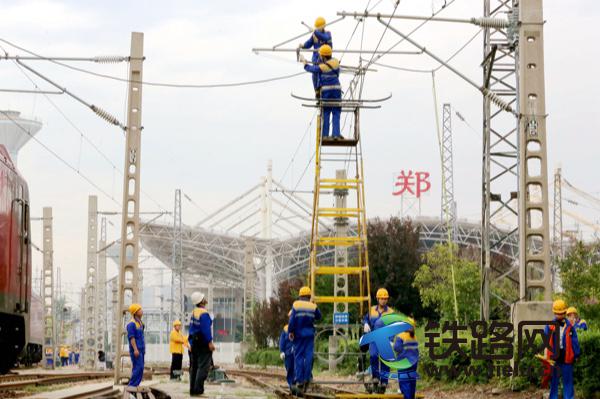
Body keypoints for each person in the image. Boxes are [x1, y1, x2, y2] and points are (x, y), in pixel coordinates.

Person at [301, 44, 342, 139]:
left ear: (323, 56)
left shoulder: (322, 67)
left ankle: (325, 135)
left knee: (326, 111)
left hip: (326, 91)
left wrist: (304, 63)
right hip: (337, 90)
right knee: (336, 111)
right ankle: (336, 134)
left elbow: (311, 69)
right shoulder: (336, 62)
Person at [288, 286, 322, 394]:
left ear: (300, 295)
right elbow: (319, 317)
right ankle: (307, 378)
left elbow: (292, 321)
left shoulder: (296, 304)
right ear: (309, 296)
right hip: (309, 335)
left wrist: (291, 332)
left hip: (298, 335)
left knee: (298, 357)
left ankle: (299, 381)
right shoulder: (313, 306)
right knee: (308, 357)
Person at [544, 299, 580, 399]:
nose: (559, 315)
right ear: (554, 313)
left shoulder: (570, 326)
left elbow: (575, 341)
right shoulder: (549, 325)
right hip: (554, 358)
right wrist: (546, 356)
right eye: (557, 313)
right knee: (554, 381)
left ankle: (569, 397)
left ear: (565, 312)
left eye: (562, 313)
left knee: (568, 381)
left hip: (567, 358)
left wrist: (576, 354)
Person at [362, 288, 395, 393]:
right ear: (377, 299)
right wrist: (366, 323)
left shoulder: (391, 312)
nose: (383, 300)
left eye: (385, 299)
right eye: (381, 298)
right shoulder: (371, 310)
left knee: (386, 359)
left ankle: (384, 382)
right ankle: (376, 378)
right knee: (373, 356)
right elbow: (365, 319)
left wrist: (391, 340)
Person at [188, 292, 215, 396]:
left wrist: (190, 342)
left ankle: (193, 391)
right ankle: (199, 391)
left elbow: (191, 328)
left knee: (194, 367)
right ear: (201, 301)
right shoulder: (203, 313)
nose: (205, 298)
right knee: (203, 367)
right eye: (203, 297)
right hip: (203, 343)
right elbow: (205, 330)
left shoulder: (194, 312)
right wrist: (210, 342)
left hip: (194, 343)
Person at [299, 16, 333, 95]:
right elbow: (309, 43)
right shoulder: (315, 34)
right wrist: (303, 45)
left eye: (319, 27)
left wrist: (315, 31)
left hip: (325, 59)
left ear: (323, 26)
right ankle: (317, 91)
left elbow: (324, 38)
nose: (318, 29)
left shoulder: (327, 34)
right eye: (317, 28)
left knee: (322, 74)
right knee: (314, 74)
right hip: (316, 58)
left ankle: (322, 89)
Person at [393, 318, 419, 399]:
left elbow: (396, 348)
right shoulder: (414, 337)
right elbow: (417, 350)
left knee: (405, 382)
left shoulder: (401, 335)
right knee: (412, 383)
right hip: (413, 363)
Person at [126, 303, 145, 388]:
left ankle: (135, 386)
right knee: (138, 368)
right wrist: (135, 349)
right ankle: (131, 387)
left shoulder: (140, 323)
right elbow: (132, 338)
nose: (142, 311)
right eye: (139, 309)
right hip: (136, 350)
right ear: (135, 312)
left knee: (141, 369)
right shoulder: (131, 324)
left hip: (141, 349)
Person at [279, 317, 295, 389]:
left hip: (297, 353)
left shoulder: (299, 328)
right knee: (289, 368)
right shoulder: (285, 329)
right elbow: (282, 341)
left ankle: (296, 383)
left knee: (297, 368)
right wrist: (282, 351)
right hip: (288, 354)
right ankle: (291, 384)